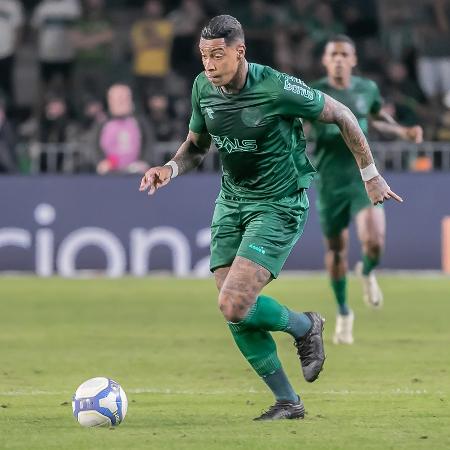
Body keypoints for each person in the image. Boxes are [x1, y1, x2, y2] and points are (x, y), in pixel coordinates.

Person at [139, 16, 402, 421]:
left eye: (217, 55)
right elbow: (196, 145)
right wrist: (169, 169)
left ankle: (303, 325)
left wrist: (370, 174)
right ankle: (288, 401)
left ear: (239, 51)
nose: (208, 64)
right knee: (234, 308)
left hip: (279, 203)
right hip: (231, 201)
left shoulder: (276, 86)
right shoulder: (201, 88)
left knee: (232, 303)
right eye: (203, 56)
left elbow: (344, 115)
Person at [309, 35, 422, 345]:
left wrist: (401, 130)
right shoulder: (314, 92)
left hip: (363, 179)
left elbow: (376, 119)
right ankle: (344, 312)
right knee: (336, 250)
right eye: (334, 55)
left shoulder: (366, 89)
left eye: (345, 54)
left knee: (374, 241)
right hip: (330, 182)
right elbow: (301, 126)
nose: (339, 59)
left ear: (354, 59)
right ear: (325, 60)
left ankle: (368, 271)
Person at [94, 83, 154, 175]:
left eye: (124, 98)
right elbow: (93, 145)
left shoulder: (140, 122)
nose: (121, 102)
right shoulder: (102, 123)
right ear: (110, 100)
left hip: (137, 174)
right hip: (108, 175)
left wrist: (144, 161)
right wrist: (100, 162)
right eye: (117, 98)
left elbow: (149, 143)